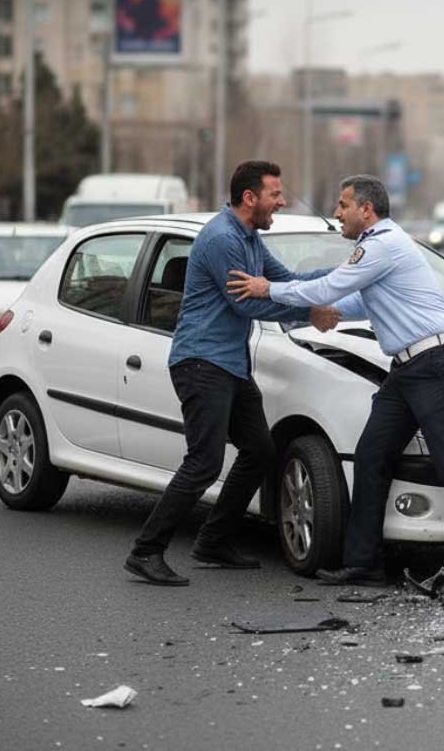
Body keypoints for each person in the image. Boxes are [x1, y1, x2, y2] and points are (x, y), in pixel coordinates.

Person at [226, 174, 444, 591]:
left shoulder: (382, 245)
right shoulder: (380, 246)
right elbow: (357, 300)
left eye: (343, 206)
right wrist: (314, 313)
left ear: (367, 210)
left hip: (434, 364)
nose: (337, 213)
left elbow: (331, 284)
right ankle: (363, 564)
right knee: (371, 456)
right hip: (408, 370)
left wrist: (270, 288)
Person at [124, 160, 339, 586]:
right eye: (275, 194)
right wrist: (310, 311)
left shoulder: (250, 239)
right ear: (249, 198)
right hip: (201, 362)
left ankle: (213, 540)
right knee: (203, 462)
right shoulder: (223, 239)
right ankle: (146, 551)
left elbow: (288, 280)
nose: (281, 200)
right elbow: (249, 303)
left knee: (260, 450)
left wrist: (346, 272)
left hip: (229, 365)